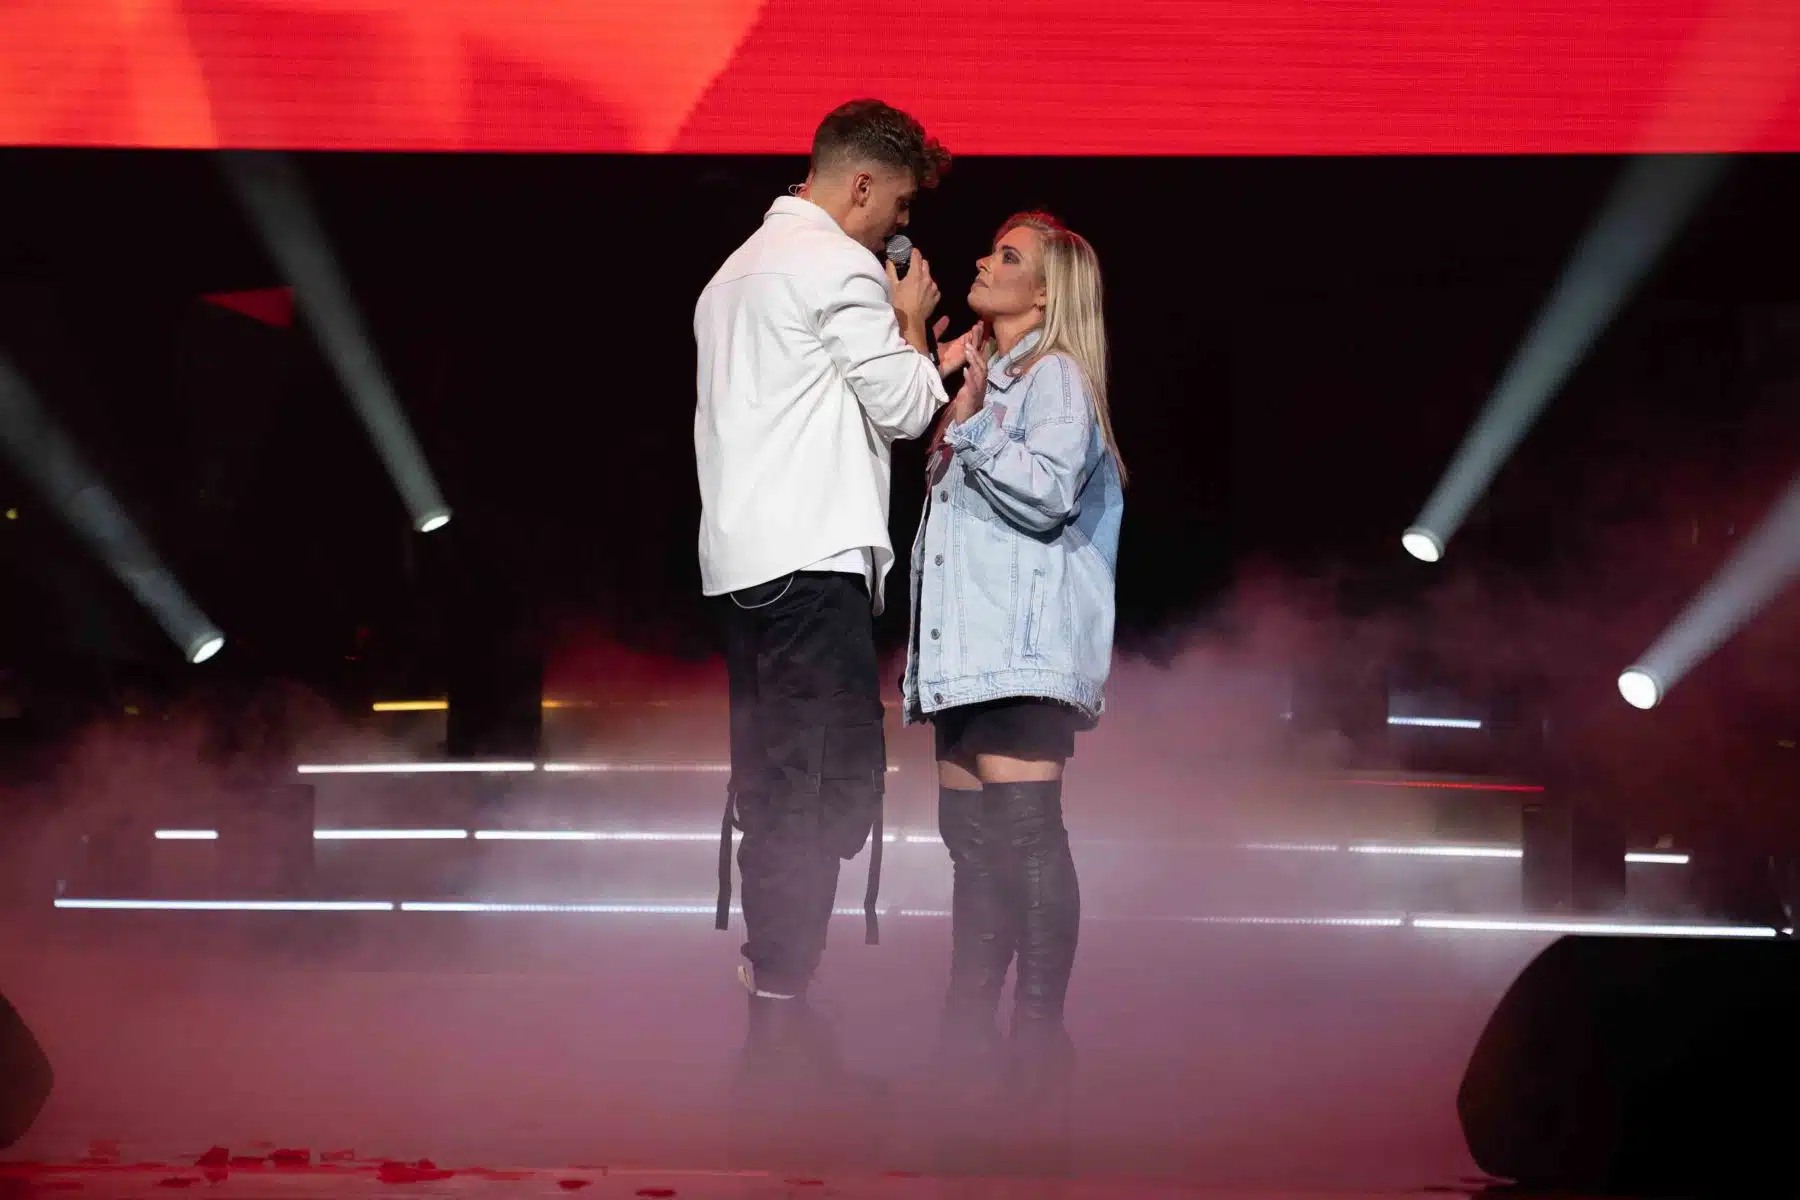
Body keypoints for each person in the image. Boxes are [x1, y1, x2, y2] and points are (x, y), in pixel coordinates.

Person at [694, 99, 969, 1085]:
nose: (898, 228)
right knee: (820, 793)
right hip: (812, 570)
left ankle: (777, 1005)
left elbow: (825, 395)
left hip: (747, 568)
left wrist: (916, 356)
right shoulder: (837, 266)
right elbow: (899, 409)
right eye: (897, 206)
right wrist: (910, 324)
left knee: (781, 788)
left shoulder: (736, 272)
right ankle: (779, 1026)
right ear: (859, 185)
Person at [902, 211, 1126, 1106]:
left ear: (1045, 292)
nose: (984, 262)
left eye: (1008, 256)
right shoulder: (994, 380)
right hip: (969, 658)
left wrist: (971, 427)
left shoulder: (1056, 377)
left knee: (1025, 838)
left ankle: (1037, 1042)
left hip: (1022, 655)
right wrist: (954, 393)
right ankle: (964, 1038)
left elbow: (1046, 491)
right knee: (972, 847)